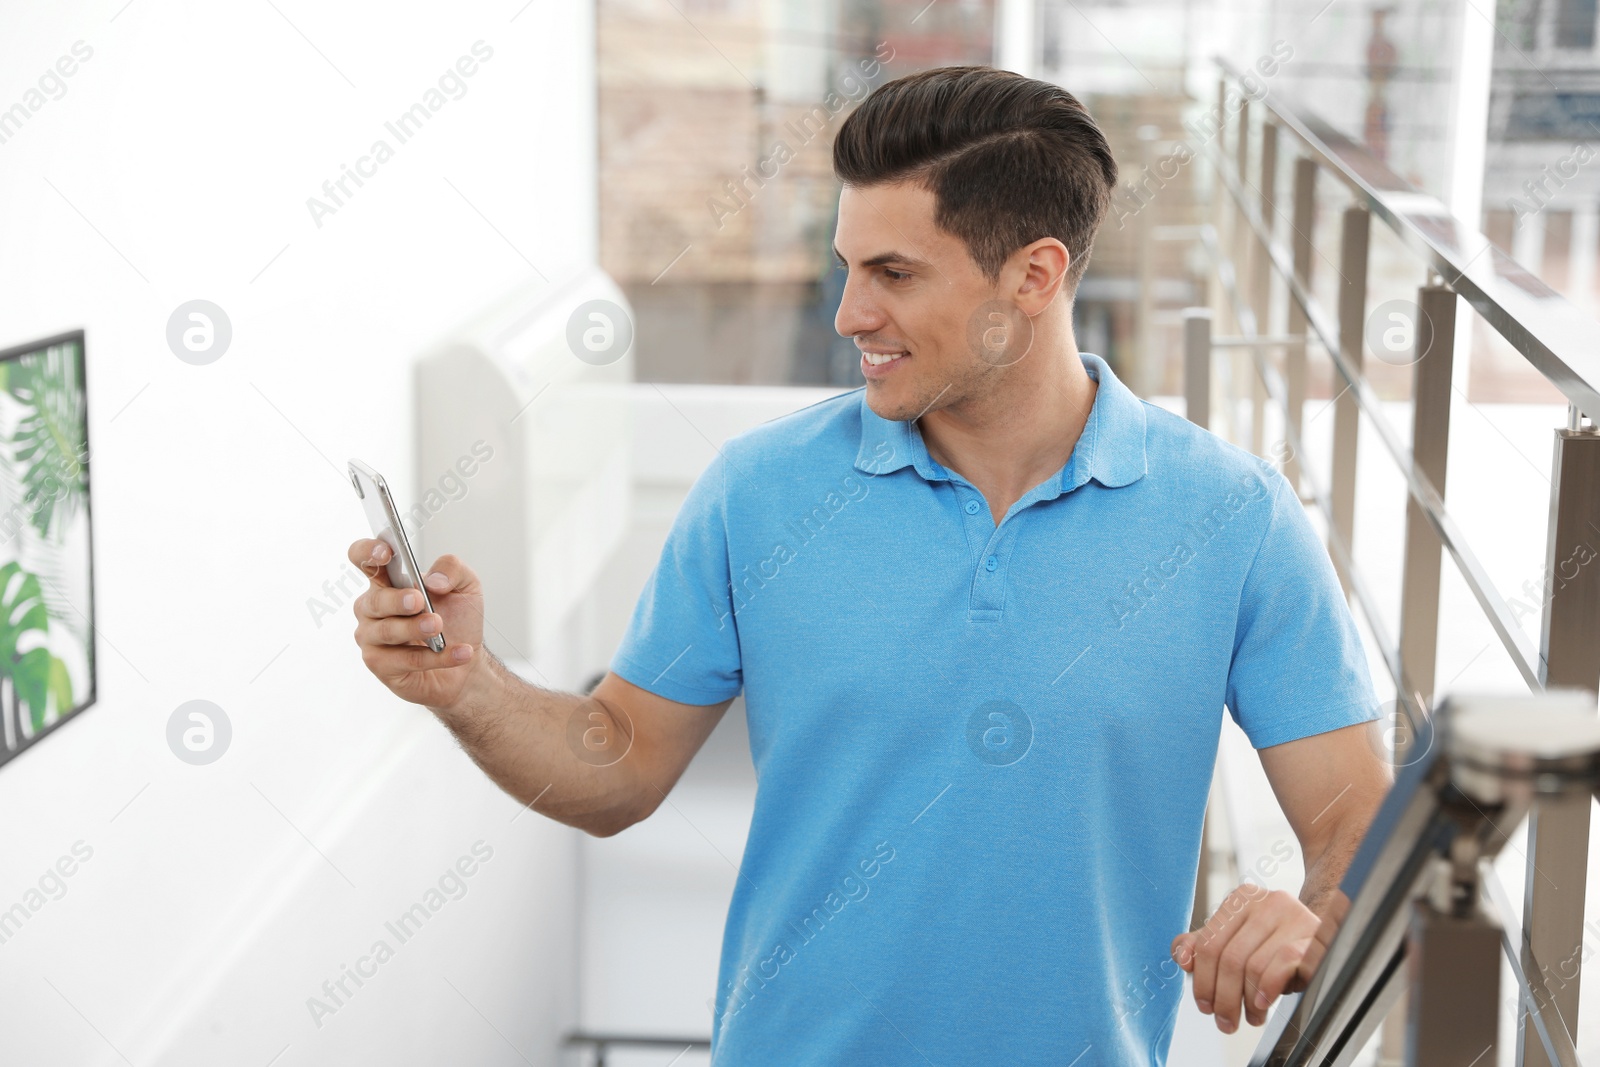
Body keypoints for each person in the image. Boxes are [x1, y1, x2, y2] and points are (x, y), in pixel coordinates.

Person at [349, 64, 1393, 1065]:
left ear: (1034, 276)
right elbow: (618, 759)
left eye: (893, 274)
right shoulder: (757, 494)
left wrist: (1310, 911)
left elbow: (1353, 813)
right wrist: (466, 686)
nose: (849, 314)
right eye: (847, 267)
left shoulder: (1232, 519)